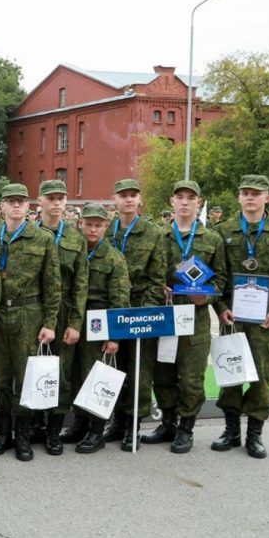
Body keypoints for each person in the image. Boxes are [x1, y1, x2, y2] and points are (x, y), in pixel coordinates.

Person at [211, 175, 269, 458]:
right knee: (231, 373)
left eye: (256, 193)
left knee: (262, 377)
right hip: (234, 316)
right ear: (238, 197)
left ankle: (254, 434)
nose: (250, 198)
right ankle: (231, 431)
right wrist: (221, 308)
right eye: (245, 193)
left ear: (267, 198)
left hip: (267, 319)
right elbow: (217, 277)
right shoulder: (223, 230)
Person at [142, 180, 227, 453]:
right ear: (172, 201)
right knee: (163, 373)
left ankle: (186, 428)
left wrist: (208, 296)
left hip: (196, 316)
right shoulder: (158, 236)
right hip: (166, 314)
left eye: (191, 197)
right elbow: (149, 274)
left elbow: (222, 279)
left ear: (198, 202)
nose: (185, 202)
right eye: (180, 197)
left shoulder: (212, 239)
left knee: (191, 377)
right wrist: (159, 288)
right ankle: (167, 423)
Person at [0, 183, 60, 462]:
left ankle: (23, 435)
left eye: (21, 201)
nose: (16, 206)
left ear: (28, 207)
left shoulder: (42, 239)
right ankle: (3, 434)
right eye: (10, 201)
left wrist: (50, 322)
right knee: (0, 378)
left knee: (26, 379)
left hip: (29, 314)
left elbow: (53, 285)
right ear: (1, 207)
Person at [105, 179, 167, 451]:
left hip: (140, 308)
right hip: (111, 307)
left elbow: (158, 278)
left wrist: (144, 314)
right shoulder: (107, 231)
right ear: (115, 200)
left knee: (139, 369)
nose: (128, 200)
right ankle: (117, 421)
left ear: (139, 199)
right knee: (113, 366)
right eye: (123, 195)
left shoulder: (152, 233)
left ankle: (133, 426)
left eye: (133, 195)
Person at [66, 203, 130, 453]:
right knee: (75, 374)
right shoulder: (74, 251)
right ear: (80, 224)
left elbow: (120, 300)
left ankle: (96, 429)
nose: (92, 229)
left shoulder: (113, 257)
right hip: (75, 317)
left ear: (105, 226)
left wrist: (114, 337)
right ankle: (79, 424)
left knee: (95, 375)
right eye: (88, 224)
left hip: (99, 319)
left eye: (98, 225)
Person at [31, 180, 88, 455]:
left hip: (65, 312)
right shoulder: (28, 234)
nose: (56, 203)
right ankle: (35, 427)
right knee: (33, 371)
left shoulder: (76, 238)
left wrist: (75, 323)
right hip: (33, 309)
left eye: (60, 198)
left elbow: (81, 284)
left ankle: (54, 431)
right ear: (39, 201)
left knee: (61, 375)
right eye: (50, 198)